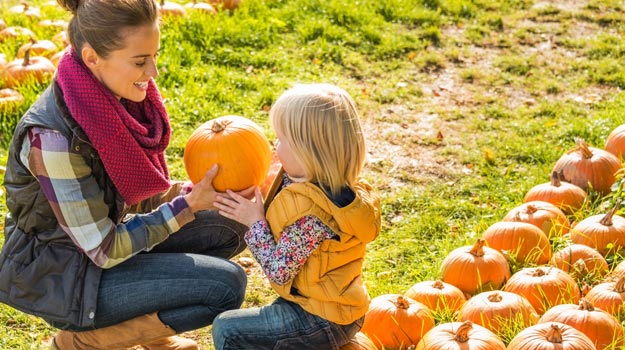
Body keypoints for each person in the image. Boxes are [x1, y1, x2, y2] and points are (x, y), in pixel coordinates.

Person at [0, 0, 251, 349]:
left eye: (154, 55)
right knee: (225, 286)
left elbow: (134, 195)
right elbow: (105, 248)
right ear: (92, 58)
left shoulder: (111, 99)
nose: (154, 72)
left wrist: (200, 193)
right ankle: (81, 340)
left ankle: (147, 327)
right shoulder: (53, 140)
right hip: (63, 276)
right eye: (140, 61)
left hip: (100, 246)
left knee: (229, 222)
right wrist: (188, 206)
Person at [211, 83, 382, 349]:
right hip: (323, 303)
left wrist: (254, 223)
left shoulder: (313, 217)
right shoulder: (328, 184)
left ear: (307, 152)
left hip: (322, 319)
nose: (275, 145)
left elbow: (279, 271)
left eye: (281, 139)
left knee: (229, 329)